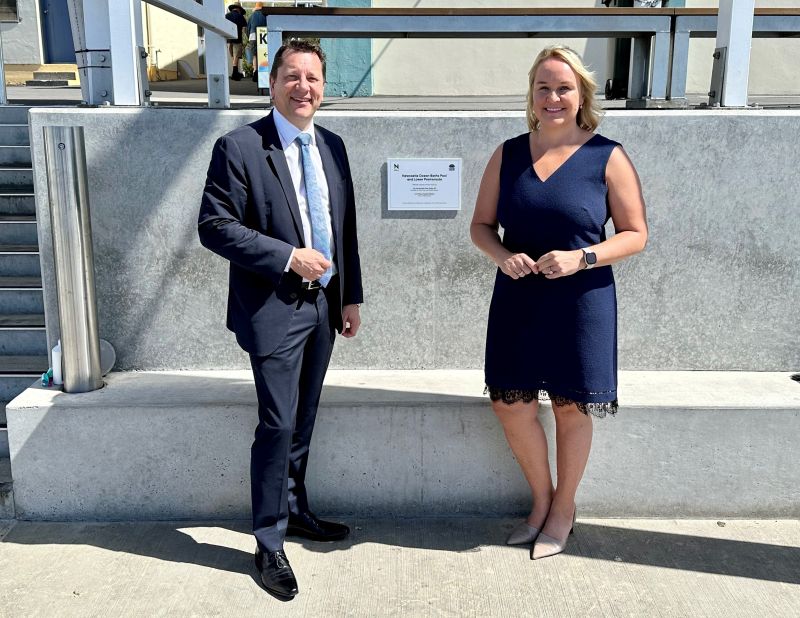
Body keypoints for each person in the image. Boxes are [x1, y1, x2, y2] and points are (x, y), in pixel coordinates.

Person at [198, 40, 363, 599]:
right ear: (272, 84)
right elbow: (214, 226)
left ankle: (294, 511)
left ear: (323, 87)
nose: (304, 87)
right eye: (292, 76)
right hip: (272, 309)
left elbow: (345, 228)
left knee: (305, 416)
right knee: (277, 423)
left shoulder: (333, 147)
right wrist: (287, 256)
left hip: (322, 307)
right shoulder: (241, 147)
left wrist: (349, 296)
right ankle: (268, 543)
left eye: (313, 78)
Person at [470, 45, 647, 560]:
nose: (553, 97)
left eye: (563, 88)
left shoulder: (606, 155)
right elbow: (481, 227)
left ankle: (564, 508)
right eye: (543, 88)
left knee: (571, 406)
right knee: (509, 402)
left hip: (581, 300)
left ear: (582, 94)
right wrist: (503, 256)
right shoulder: (507, 153)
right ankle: (541, 499)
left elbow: (636, 234)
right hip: (518, 299)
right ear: (531, 95)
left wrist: (582, 258)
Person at [225, 3, 247, 81]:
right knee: (236, 56)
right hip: (237, 39)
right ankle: (234, 73)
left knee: (232, 56)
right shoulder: (240, 16)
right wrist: (245, 39)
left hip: (228, 39)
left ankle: (235, 72)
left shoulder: (226, 16)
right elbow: (244, 28)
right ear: (239, 9)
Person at [246, 2, 267, 82]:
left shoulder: (252, 16)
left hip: (253, 35)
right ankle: (263, 73)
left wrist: (249, 37)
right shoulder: (265, 15)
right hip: (263, 35)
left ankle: (255, 72)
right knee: (263, 54)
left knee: (255, 54)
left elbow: (248, 28)